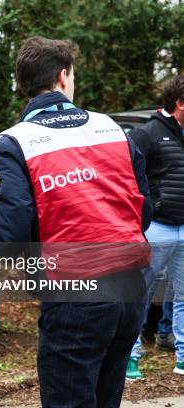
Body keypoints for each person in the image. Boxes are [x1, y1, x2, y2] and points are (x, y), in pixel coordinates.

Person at [0, 37, 152, 408]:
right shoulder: (111, 129)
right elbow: (143, 212)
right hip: (131, 288)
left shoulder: (14, 143)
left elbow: (9, 238)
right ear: (63, 77)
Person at [126, 74, 184, 379]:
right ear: (180, 104)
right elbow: (127, 180)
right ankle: (130, 357)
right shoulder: (146, 134)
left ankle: (183, 358)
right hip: (155, 229)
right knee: (140, 295)